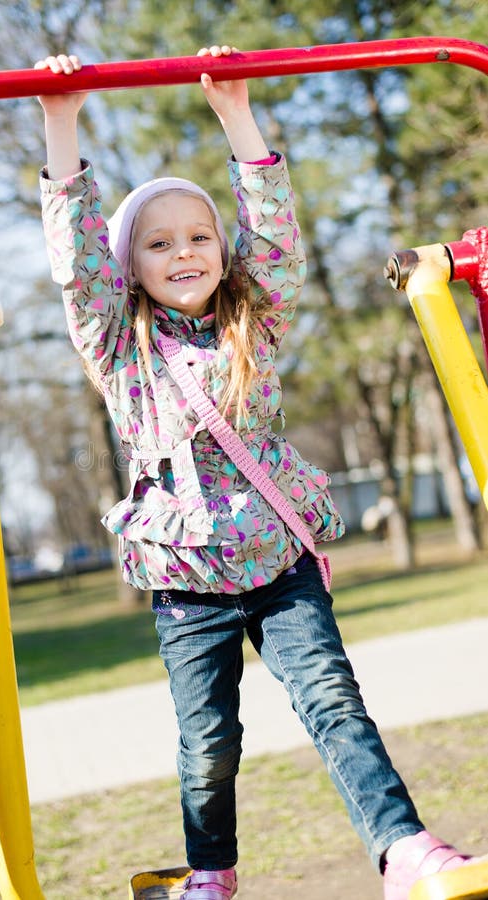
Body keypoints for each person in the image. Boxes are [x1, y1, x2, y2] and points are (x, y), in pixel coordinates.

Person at [35, 45, 483, 900]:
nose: (184, 253)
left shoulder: (254, 321)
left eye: (199, 236)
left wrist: (235, 113)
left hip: (277, 564)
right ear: (129, 266)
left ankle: (402, 848)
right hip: (188, 579)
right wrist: (62, 120)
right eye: (159, 244)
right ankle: (211, 872)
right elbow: (76, 265)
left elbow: (274, 241)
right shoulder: (118, 343)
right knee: (207, 742)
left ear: (221, 248)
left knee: (334, 704)